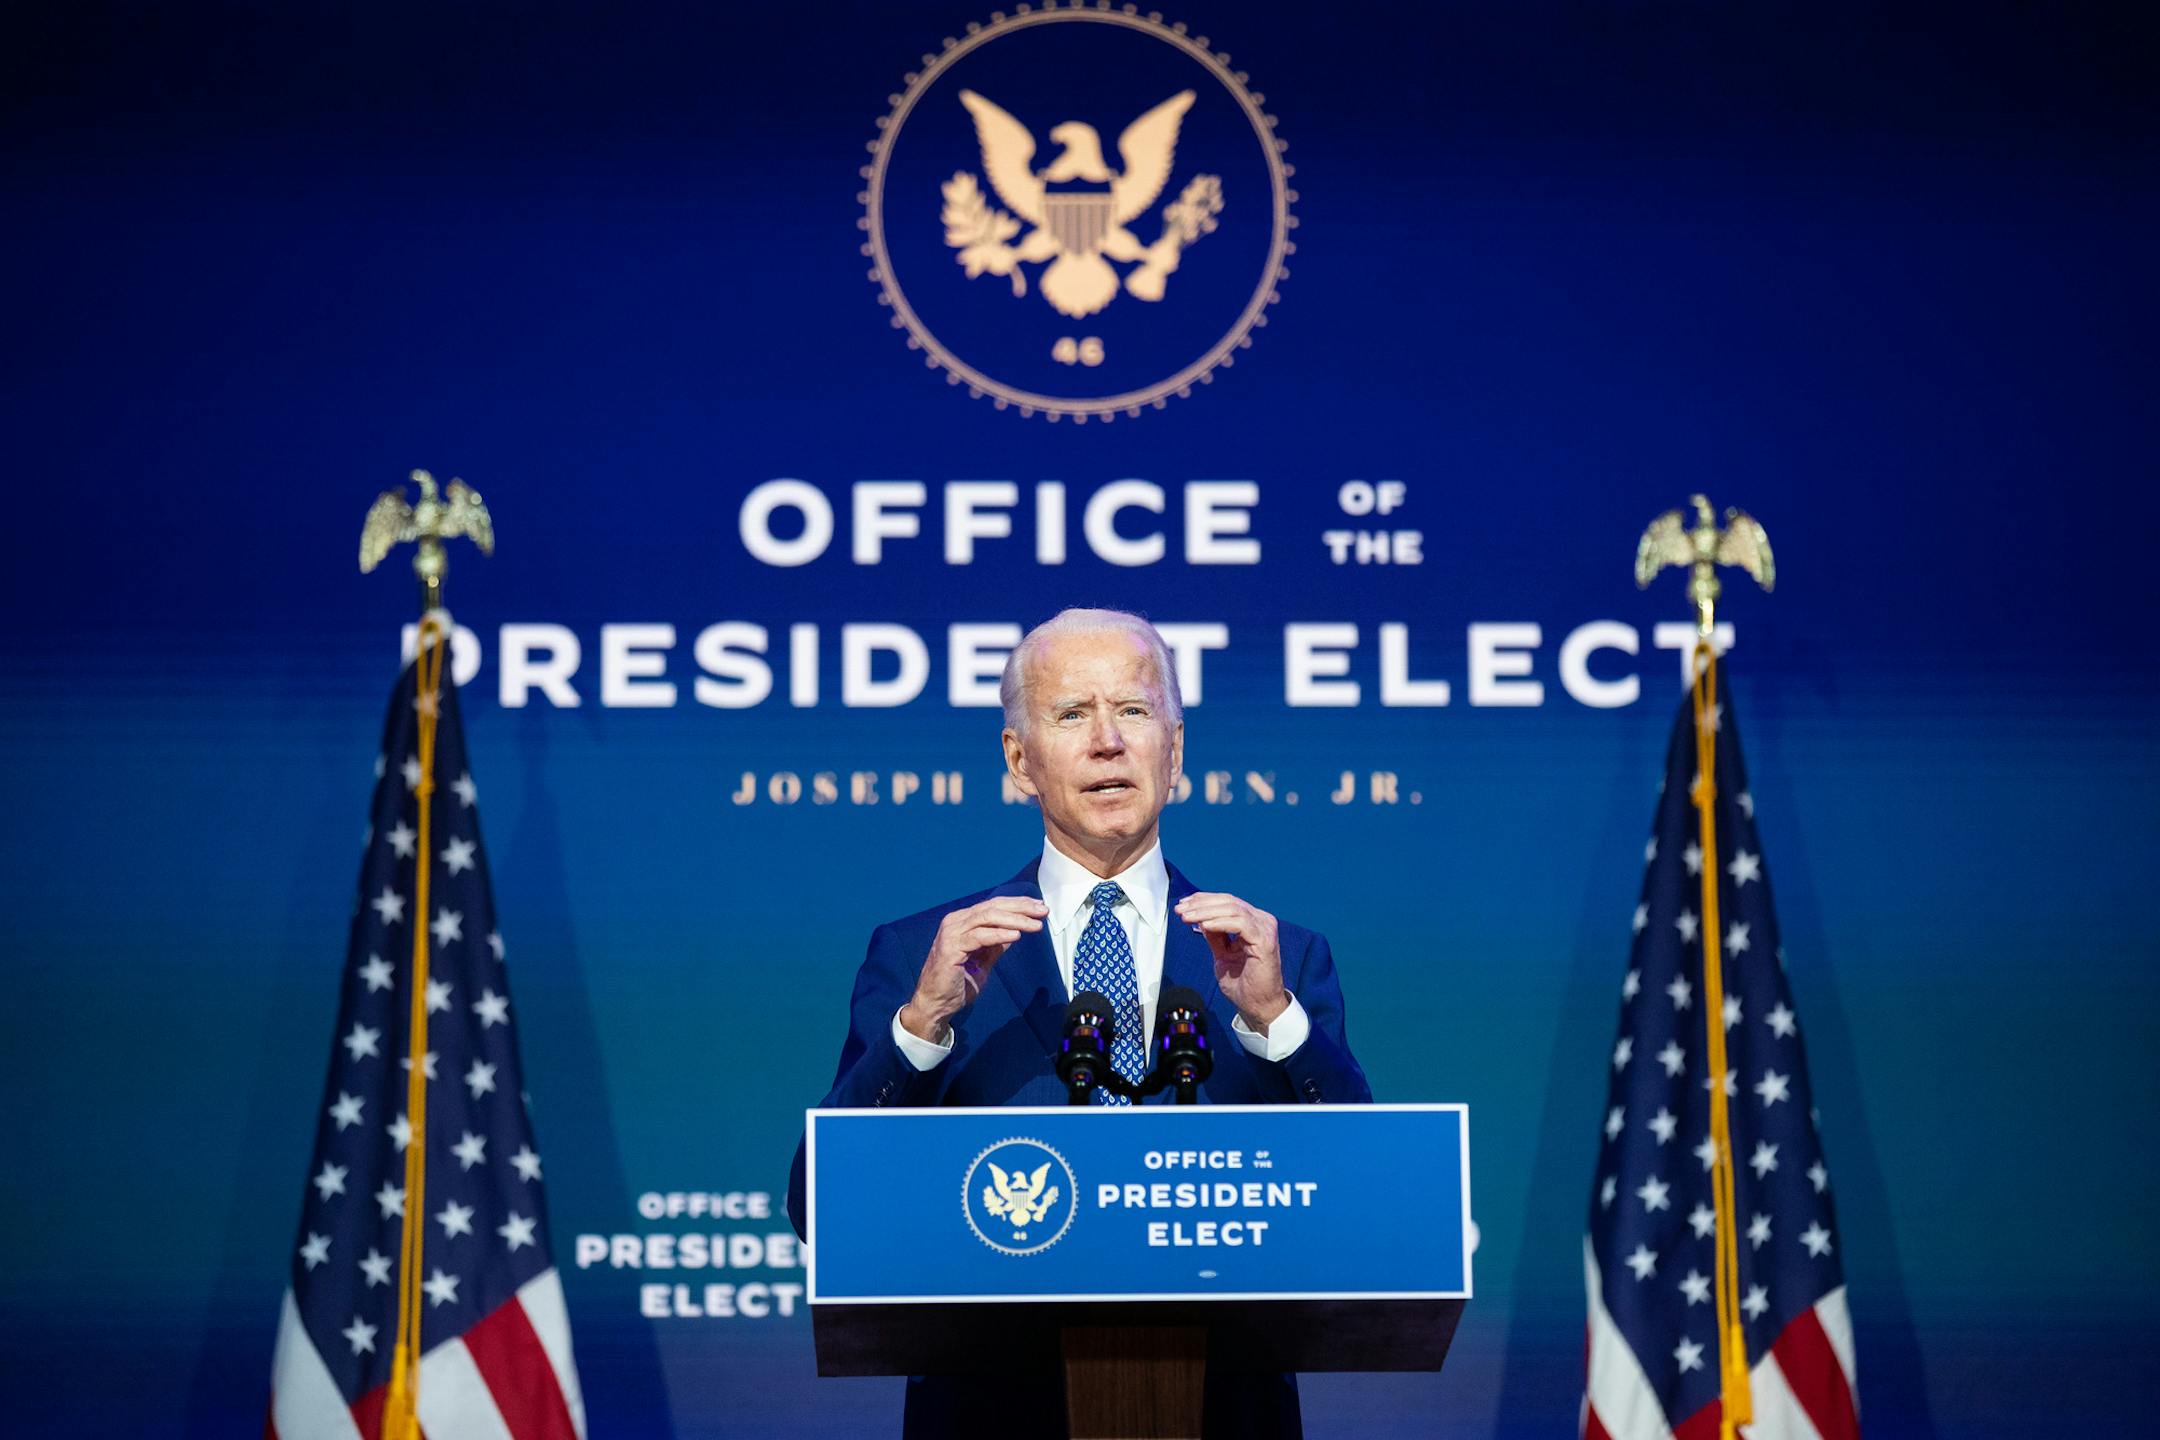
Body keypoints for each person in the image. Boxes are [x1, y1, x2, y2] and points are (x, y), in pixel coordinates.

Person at [787, 607, 1371, 1439]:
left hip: (1225, 1410)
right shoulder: (921, 955)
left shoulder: (1281, 959)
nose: (1108, 742)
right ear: (1019, 762)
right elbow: (821, 1207)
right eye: (1072, 714)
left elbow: (1369, 1197)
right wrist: (918, 1031)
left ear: (1176, 753)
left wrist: (1277, 1022)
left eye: (1133, 711)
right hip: (989, 1414)